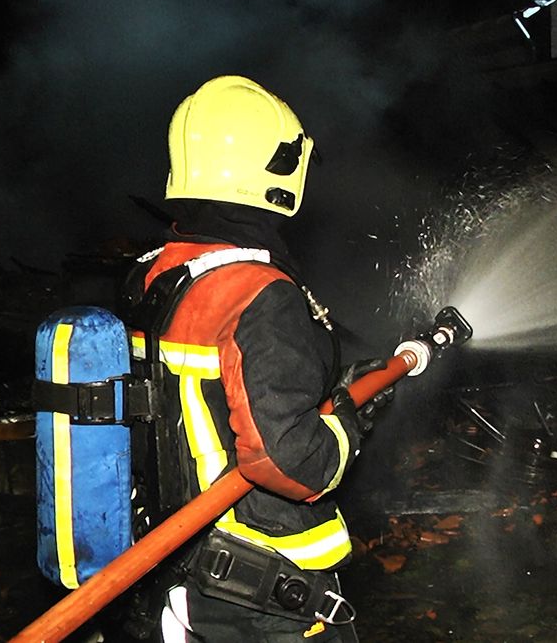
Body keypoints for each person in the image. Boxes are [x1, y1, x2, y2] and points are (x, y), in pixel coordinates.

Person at [127, 75, 380, 642]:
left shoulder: (161, 277)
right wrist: (346, 425)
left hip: (184, 572)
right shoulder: (258, 293)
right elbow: (287, 460)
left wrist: (330, 391)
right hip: (265, 592)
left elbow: (207, 404)